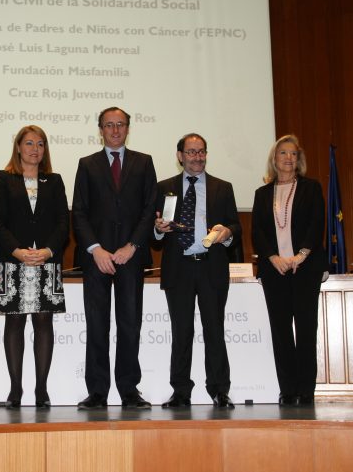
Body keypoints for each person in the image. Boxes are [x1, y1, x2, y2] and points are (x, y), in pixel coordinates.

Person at [72, 107, 157, 410]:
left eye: (120, 125)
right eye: (109, 125)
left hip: (130, 257)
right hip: (97, 259)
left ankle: (129, 390)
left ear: (128, 128)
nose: (115, 130)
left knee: (129, 324)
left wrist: (132, 245)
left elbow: (150, 209)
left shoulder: (144, 163)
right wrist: (96, 249)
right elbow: (79, 212)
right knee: (97, 325)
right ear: (101, 129)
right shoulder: (87, 164)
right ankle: (97, 392)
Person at [154, 133, 241, 409]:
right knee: (182, 332)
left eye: (201, 151)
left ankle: (220, 390)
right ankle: (181, 391)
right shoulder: (163, 188)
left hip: (211, 267)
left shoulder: (222, 187)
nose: (197, 157)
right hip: (178, 268)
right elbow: (152, 232)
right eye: (191, 152)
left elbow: (235, 227)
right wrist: (157, 230)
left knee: (214, 330)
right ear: (180, 156)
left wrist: (226, 233)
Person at [0, 125, 69, 409]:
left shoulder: (55, 181)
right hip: (14, 262)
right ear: (19, 147)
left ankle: (42, 391)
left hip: (47, 261)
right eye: (30, 143)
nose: (35, 149)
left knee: (44, 322)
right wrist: (18, 252)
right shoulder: (4, 179)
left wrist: (47, 251)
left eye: (41, 144)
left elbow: (63, 222)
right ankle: (15, 391)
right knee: (15, 322)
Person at [251, 134, 327, 407]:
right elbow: (257, 232)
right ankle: (288, 389)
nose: (288, 158)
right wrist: (273, 257)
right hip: (275, 270)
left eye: (293, 154)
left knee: (306, 329)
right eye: (283, 153)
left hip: (305, 268)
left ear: (299, 159)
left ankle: (306, 390)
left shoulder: (310, 188)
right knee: (281, 331)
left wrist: (301, 255)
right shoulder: (262, 194)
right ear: (275, 159)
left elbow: (317, 224)